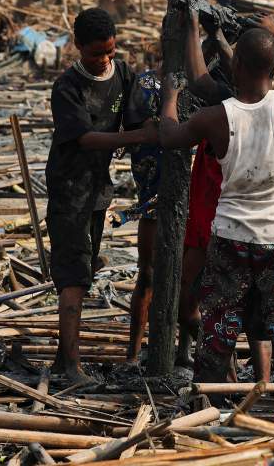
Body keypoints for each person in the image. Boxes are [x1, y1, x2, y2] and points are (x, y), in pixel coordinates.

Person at [159, 14, 274, 383]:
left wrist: (169, 99)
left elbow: (168, 136)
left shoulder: (215, 118)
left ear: (235, 63)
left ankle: (210, 405)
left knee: (218, 332)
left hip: (231, 241)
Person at [46, 7, 157, 385]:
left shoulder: (122, 73)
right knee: (73, 274)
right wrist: (137, 137)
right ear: (77, 47)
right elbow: (86, 138)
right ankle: (72, 368)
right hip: (70, 190)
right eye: (96, 53)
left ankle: (65, 358)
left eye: (110, 51)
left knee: (87, 266)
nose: (105, 59)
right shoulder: (67, 87)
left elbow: (138, 117)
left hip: (97, 188)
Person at [125, 66, 162, 361]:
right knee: (147, 275)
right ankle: (134, 351)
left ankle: (184, 350)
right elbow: (137, 131)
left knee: (191, 279)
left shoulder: (204, 81)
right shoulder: (145, 83)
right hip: (153, 195)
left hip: (193, 195)